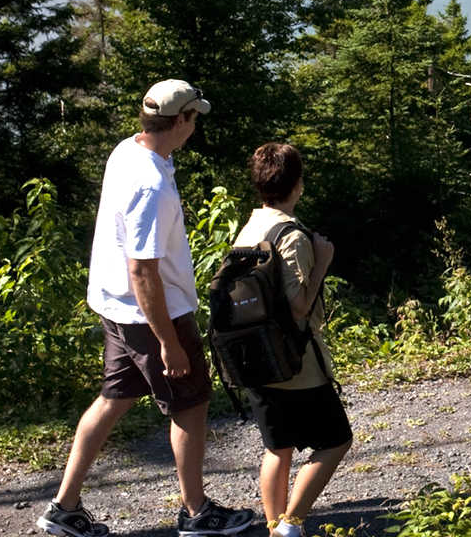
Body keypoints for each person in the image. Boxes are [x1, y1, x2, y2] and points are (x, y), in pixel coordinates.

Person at [39, 80, 255, 537]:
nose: (196, 124)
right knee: (191, 405)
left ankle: (64, 507)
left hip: (116, 307)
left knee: (114, 397)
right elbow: (143, 272)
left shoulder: (129, 150)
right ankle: (197, 514)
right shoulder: (151, 183)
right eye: (194, 117)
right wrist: (168, 344)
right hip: (153, 315)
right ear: (180, 121)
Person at [233, 142, 353, 537]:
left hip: (254, 358)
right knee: (336, 440)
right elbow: (298, 307)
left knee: (277, 446)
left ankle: (273, 527)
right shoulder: (292, 236)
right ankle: (292, 522)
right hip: (295, 362)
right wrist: (322, 263)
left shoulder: (249, 228)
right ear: (297, 185)